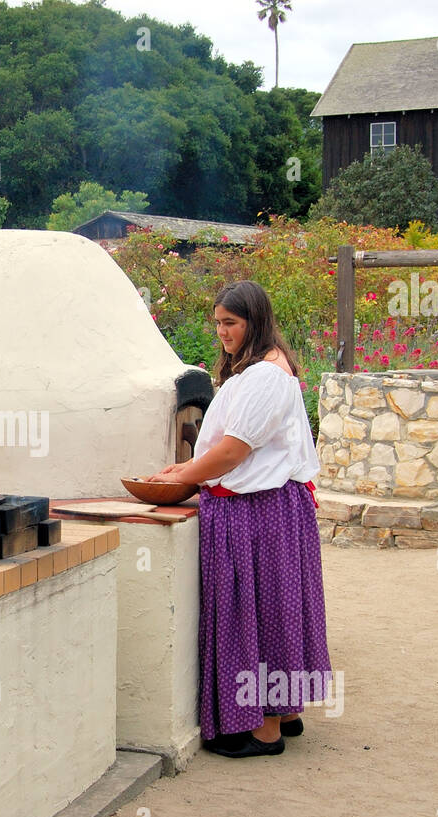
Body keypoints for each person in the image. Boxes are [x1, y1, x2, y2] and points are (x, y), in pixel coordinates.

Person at [149, 280, 330, 758]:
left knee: (263, 612)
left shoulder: (266, 375)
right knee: (279, 606)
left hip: (259, 510)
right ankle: (285, 714)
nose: (222, 333)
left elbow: (233, 450)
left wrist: (181, 477)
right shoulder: (265, 369)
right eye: (218, 324)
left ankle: (264, 731)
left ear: (255, 320)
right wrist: (185, 469)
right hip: (270, 506)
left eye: (230, 323)